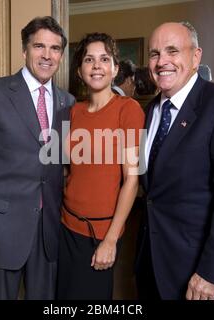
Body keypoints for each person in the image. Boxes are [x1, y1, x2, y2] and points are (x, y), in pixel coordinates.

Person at [0, 16, 75, 300]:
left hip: (47, 232)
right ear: (25, 50)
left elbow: (60, 165)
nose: (47, 55)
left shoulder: (67, 103)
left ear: (61, 55)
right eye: (39, 46)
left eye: (55, 49)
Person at [135, 22, 214, 300]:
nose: (162, 61)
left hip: (200, 277)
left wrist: (212, 273)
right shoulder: (149, 110)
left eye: (172, 51)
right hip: (153, 268)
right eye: (154, 54)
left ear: (195, 56)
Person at [57, 33, 145, 299]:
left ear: (115, 69)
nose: (96, 66)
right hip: (65, 227)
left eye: (104, 59)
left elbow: (132, 179)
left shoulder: (128, 110)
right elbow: (67, 169)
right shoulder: (73, 111)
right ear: (80, 70)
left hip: (100, 233)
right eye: (89, 59)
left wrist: (111, 239)